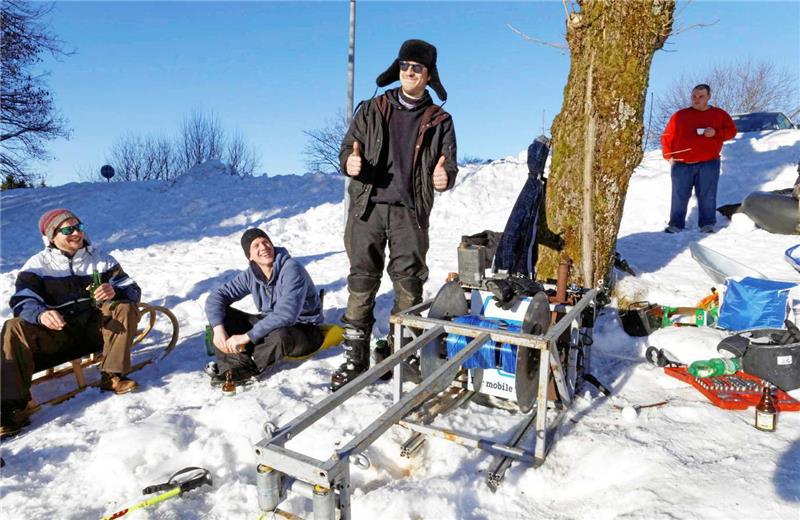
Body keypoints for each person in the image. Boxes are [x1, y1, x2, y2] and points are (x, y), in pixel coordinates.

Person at [332, 39, 458, 391]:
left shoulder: (440, 121)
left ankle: (401, 355)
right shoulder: (371, 109)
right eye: (404, 66)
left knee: (409, 286)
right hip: (367, 208)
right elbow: (347, 148)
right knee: (361, 281)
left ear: (428, 75)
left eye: (416, 68)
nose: (409, 72)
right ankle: (354, 358)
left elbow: (450, 163)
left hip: (410, 213)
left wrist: (444, 177)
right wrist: (349, 162)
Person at [1, 209, 142, 438]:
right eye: (68, 229)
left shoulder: (101, 259)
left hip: (95, 330)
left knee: (124, 306)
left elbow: (133, 289)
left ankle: (113, 375)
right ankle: (12, 407)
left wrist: (115, 290)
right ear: (52, 236)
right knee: (13, 327)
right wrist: (40, 314)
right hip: (58, 335)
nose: (77, 233)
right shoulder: (37, 266)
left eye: (79, 227)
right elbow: (22, 300)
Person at [204, 228, 324, 386]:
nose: (264, 247)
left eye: (266, 242)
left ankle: (245, 365)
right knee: (221, 316)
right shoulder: (251, 274)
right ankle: (233, 366)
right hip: (270, 322)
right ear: (250, 256)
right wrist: (219, 330)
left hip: (303, 330)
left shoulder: (291, 269)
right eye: (256, 245)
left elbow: (286, 314)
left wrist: (246, 337)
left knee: (281, 335)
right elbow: (216, 297)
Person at [661, 84, 737, 233]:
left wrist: (715, 132)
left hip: (709, 162)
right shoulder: (680, 115)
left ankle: (707, 224)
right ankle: (675, 225)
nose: (697, 99)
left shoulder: (719, 114)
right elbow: (667, 136)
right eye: (694, 96)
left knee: (707, 194)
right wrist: (668, 155)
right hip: (681, 163)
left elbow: (732, 131)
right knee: (679, 195)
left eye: (701, 96)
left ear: (708, 97)